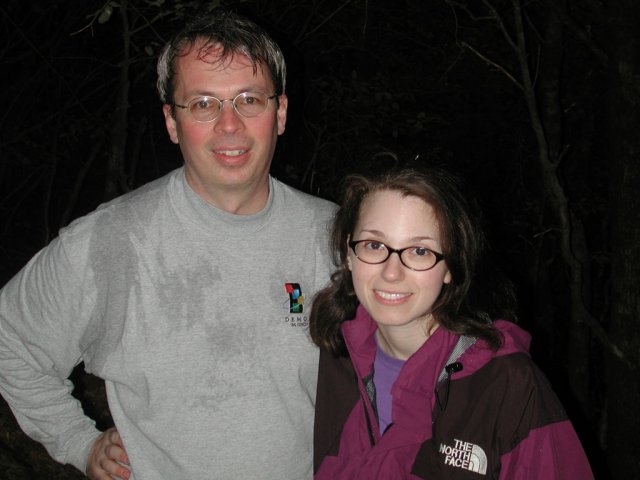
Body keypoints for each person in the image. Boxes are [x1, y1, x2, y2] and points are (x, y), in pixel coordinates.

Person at [0, 9, 335, 480]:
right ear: (172, 122)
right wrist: (77, 440)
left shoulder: (337, 237)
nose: (229, 125)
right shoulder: (111, 241)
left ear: (279, 112)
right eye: (203, 104)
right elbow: (9, 338)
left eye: (249, 100)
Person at [310, 167, 594, 479]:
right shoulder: (336, 358)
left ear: (450, 267)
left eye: (420, 251)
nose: (391, 272)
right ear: (349, 253)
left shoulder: (506, 384)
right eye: (374, 245)